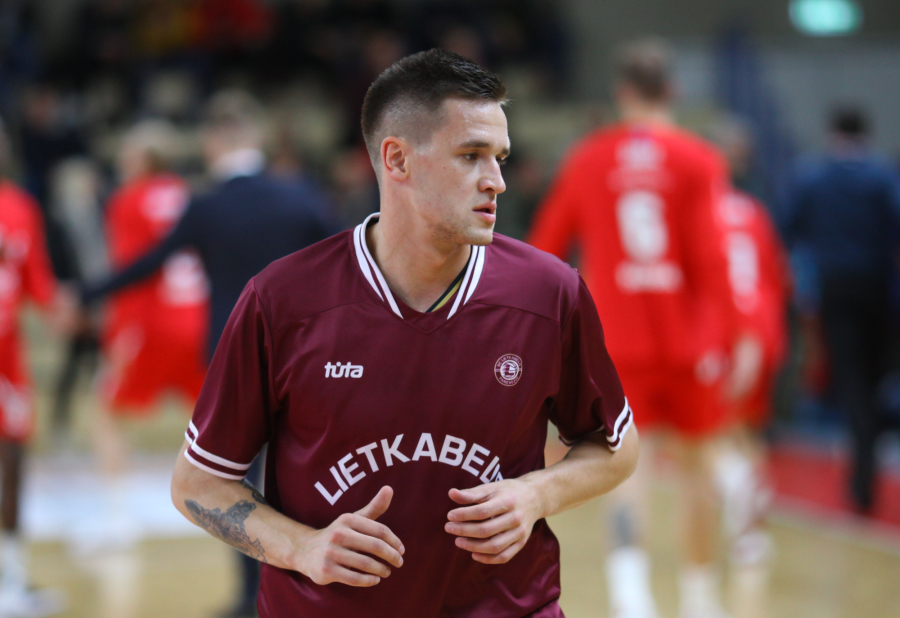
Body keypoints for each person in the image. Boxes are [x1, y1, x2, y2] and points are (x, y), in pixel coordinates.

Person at [170, 49, 639, 618]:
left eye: (500, 158)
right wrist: (302, 547)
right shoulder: (282, 300)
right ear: (397, 160)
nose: (496, 181)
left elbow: (615, 445)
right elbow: (198, 484)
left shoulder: (548, 292)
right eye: (470, 156)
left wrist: (537, 493)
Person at [82, 90, 341, 618]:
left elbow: (150, 262)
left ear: (213, 141)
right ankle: (317, 590)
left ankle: (251, 599)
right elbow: (349, 257)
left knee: (236, 482)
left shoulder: (205, 205)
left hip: (236, 354)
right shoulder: (300, 196)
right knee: (307, 466)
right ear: (256, 138)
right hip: (308, 352)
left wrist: (86, 292)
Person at [528, 40, 738, 618]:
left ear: (621, 92)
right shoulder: (700, 159)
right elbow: (713, 258)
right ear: (673, 91)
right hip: (690, 342)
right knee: (697, 472)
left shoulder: (588, 158)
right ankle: (700, 600)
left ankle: (631, 598)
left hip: (615, 344)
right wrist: (736, 336)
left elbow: (546, 250)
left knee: (623, 470)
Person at [84, 119, 209, 551]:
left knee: (104, 411)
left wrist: (115, 331)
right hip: (198, 319)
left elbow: (132, 269)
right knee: (214, 420)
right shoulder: (192, 195)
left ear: (142, 158)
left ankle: (117, 518)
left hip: (151, 322)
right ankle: (230, 508)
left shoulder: (128, 200)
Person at [785, 105, 900, 513]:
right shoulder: (882, 176)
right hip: (879, 290)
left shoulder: (813, 176)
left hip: (835, 290)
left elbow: (787, 228)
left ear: (832, 133)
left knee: (850, 379)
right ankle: (867, 457)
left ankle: (861, 472)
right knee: (875, 379)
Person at [0, 120, 67, 616]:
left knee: (12, 463)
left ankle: (11, 578)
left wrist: (64, 312)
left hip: (7, 361)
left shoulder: (19, 206)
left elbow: (37, 280)